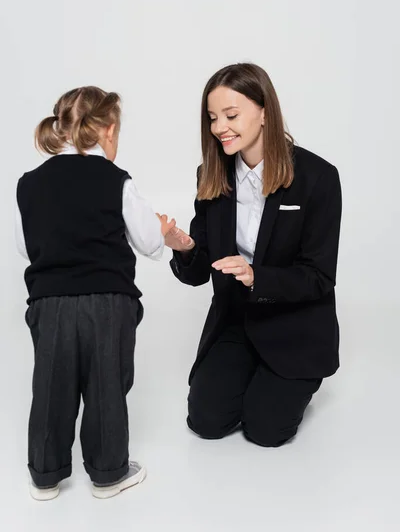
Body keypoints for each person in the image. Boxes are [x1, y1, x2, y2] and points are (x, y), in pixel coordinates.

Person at [166, 63, 342, 448]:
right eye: (212, 118)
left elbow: (319, 277)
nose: (219, 127)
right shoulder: (211, 174)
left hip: (294, 323)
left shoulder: (318, 178)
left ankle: (287, 382)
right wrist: (186, 248)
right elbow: (200, 271)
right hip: (237, 319)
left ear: (264, 111)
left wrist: (256, 276)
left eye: (231, 115)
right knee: (206, 422)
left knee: (266, 431)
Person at [16, 86, 178, 500]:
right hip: (108, 300)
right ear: (107, 130)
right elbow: (145, 241)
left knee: (51, 385)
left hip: (50, 302)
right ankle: (108, 474)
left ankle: (45, 476)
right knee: (106, 383)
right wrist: (160, 232)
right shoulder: (116, 179)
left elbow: (24, 245)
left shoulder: (30, 184)